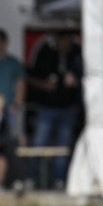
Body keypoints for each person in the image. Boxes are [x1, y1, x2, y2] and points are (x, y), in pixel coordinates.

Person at [27, 31, 81, 189]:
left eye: (69, 41)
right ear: (58, 41)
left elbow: (90, 79)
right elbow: (30, 78)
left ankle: (59, 180)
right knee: (38, 144)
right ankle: (32, 179)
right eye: (64, 41)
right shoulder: (45, 53)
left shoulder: (77, 55)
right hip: (46, 108)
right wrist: (44, 85)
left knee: (63, 147)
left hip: (68, 109)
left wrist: (76, 82)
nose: (66, 44)